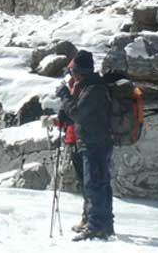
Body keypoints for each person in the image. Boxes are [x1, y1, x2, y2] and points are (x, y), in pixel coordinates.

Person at [58, 50, 115, 241]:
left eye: (73, 71)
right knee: (98, 183)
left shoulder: (94, 89)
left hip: (95, 142)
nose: (71, 74)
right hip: (94, 141)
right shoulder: (88, 86)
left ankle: (96, 226)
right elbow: (80, 112)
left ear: (80, 71)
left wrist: (65, 95)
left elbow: (78, 114)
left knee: (95, 184)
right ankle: (103, 224)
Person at [53, 66, 88, 233]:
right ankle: (89, 218)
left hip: (78, 140)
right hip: (75, 139)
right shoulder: (78, 88)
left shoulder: (79, 89)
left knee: (87, 183)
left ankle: (89, 219)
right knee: (86, 183)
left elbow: (75, 115)